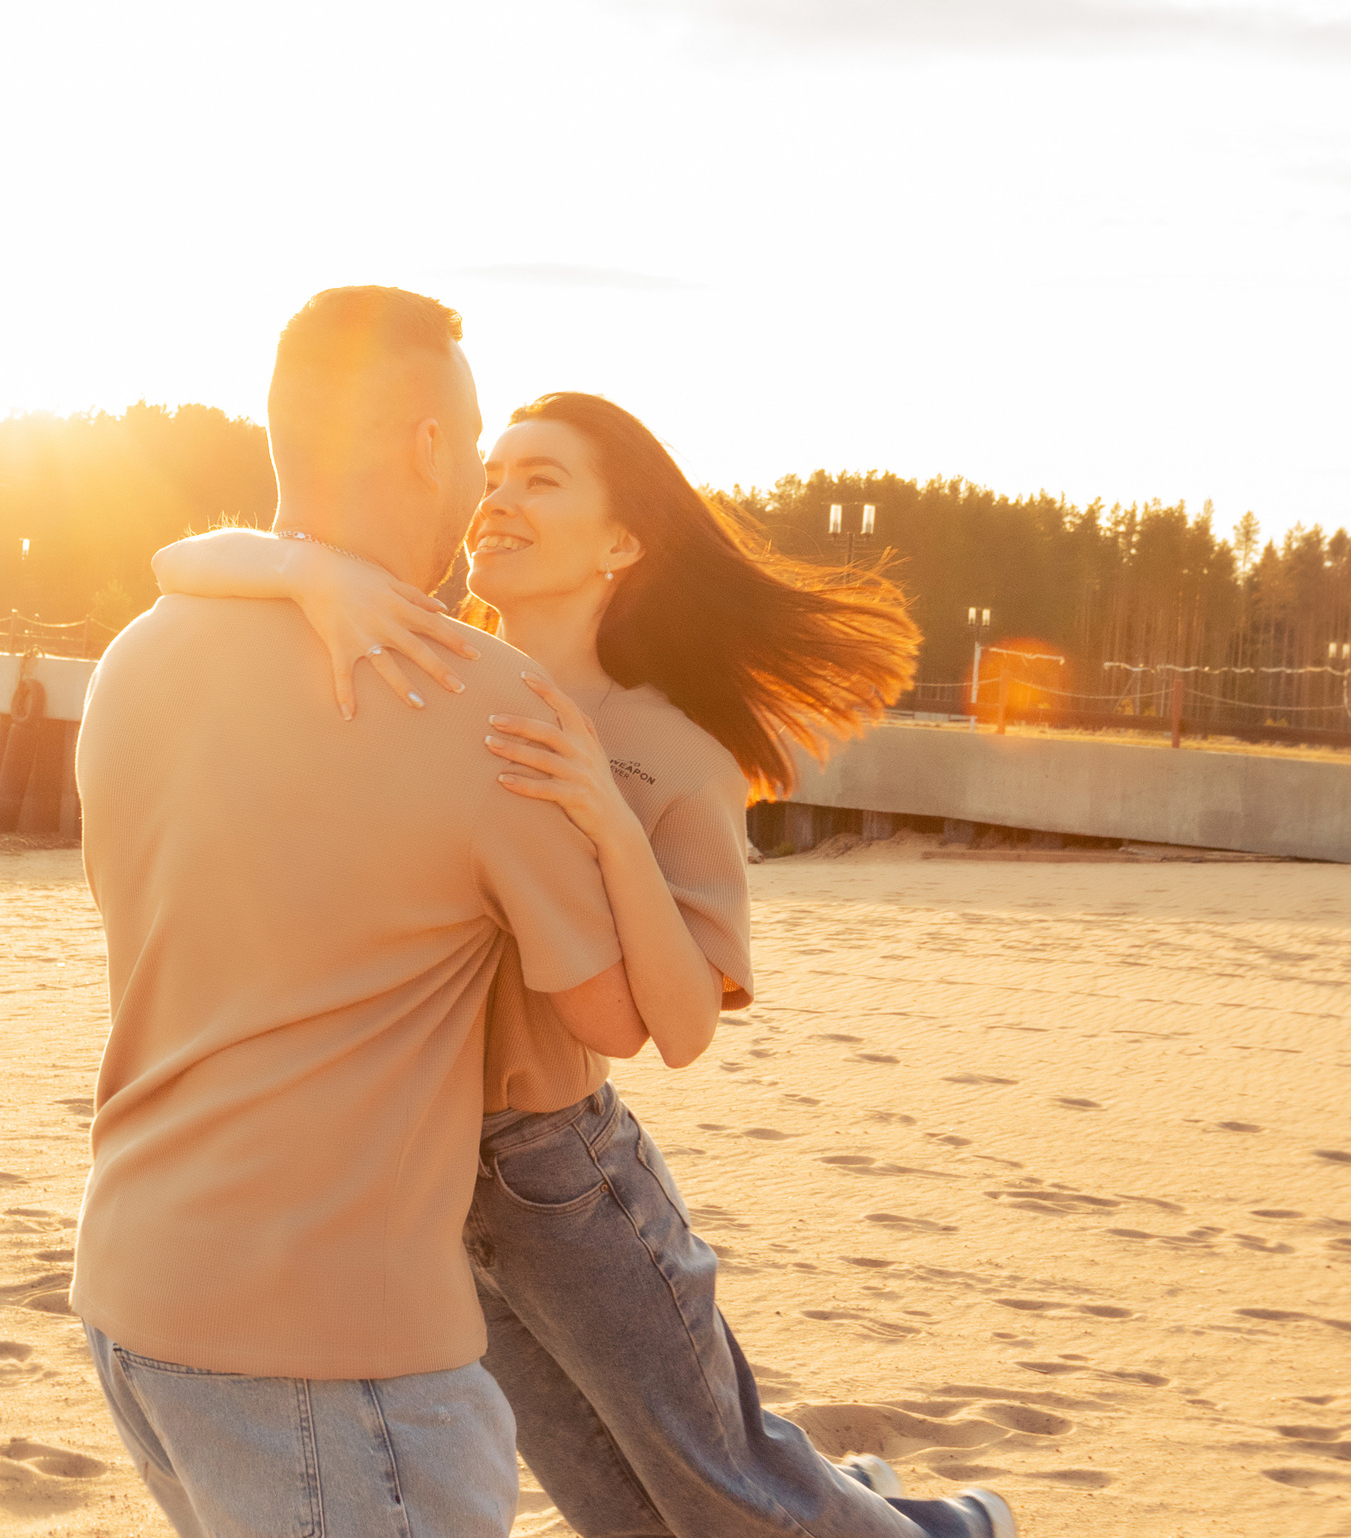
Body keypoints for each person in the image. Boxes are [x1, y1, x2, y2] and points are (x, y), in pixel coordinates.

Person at [152, 391, 1018, 1537]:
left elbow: (683, 1026)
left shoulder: (672, 748)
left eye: (541, 479)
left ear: (621, 543)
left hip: (556, 1173)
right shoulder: (427, 655)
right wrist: (305, 570)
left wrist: (607, 817)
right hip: (416, 1173)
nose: (498, 500)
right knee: (613, 1505)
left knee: (722, 1485)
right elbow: (179, 563)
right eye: (494, 475)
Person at [72, 290, 667, 1538]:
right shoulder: (484, 702)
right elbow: (611, 1019)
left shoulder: (136, 656)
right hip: (334, 1350)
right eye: (476, 445)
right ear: (430, 447)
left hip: (134, 1300)